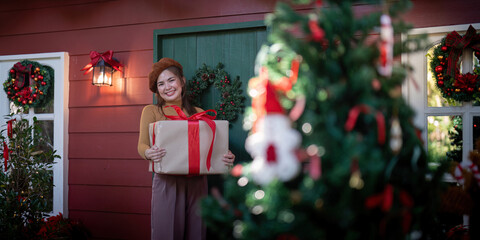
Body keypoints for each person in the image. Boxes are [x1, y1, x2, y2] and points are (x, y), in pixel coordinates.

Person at [137, 58, 235, 240]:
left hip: (198, 181)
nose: (167, 87)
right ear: (157, 89)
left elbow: (209, 148)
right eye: (161, 84)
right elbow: (142, 145)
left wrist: (225, 156)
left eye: (171, 80)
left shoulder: (198, 112)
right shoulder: (151, 111)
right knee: (166, 233)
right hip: (167, 181)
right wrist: (148, 153)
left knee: (197, 232)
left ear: (182, 81)